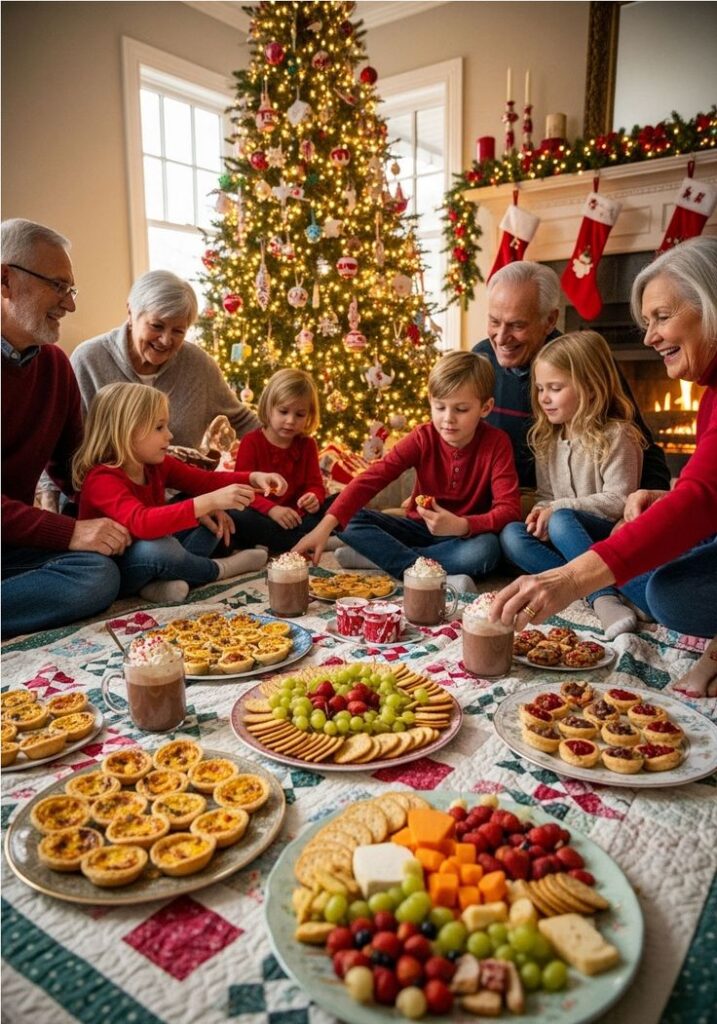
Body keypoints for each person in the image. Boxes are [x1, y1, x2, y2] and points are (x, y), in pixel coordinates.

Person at [490, 237, 717, 696]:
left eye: (662, 317)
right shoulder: (710, 392)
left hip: (599, 522)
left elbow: (704, 498)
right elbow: (705, 491)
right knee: (516, 536)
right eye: (645, 321)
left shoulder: (618, 429)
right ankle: (612, 590)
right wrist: (667, 499)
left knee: (667, 594)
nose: (649, 336)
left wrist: (571, 579)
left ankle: (607, 592)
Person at [293, 351, 522, 592]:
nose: (448, 419)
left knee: (486, 550)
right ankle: (427, 573)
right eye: (440, 407)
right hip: (417, 529)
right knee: (347, 518)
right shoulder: (422, 437)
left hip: (463, 536)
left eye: (461, 409)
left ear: (485, 407)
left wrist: (461, 525)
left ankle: (379, 559)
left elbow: (510, 510)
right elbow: (372, 479)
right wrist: (323, 528)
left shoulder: (497, 443)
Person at [1, 218, 128, 639]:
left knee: (100, 572)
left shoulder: (55, 366)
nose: (69, 305)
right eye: (58, 286)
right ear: (5, 280)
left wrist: (141, 503)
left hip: (11, 545)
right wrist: (71, 531)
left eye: (71, 290)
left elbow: (77, 468)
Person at [74, 383, 286, 604]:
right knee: (158, 548)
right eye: (159, 427)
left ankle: (157, 585)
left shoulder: (156, 464)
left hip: (159, 551)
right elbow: (142, 523)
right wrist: (207, 501)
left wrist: (252, 478)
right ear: (125, 432)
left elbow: (204, 480)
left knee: (209, 522)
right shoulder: (102, 479)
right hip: (120, 568)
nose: (170, 434)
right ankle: (219, 569)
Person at [472, 261, 670, 491]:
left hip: (560, 506)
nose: (501, 337)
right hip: (498, 501)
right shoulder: (480, 358)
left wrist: (648, 506)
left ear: (549, 320)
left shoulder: (582, 363)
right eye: (494, 321)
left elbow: (641, 445)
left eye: (517, 325)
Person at [500, 331, 645, 640]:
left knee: (563, 519)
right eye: (540, 389)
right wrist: (540, 513)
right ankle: (590, 588)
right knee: (512, 535)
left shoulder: (618, 435)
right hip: (566, 536)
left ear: (590, 388)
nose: (544, 398)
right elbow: (546, 497)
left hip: (606, 536)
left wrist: (557, 510)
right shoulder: (548, 439)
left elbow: (620, 500)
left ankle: (602, 597)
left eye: (555, 388)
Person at [70, 269, 260, 449]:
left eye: (178, 331)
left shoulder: (199, 365)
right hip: (105, 482)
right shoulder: (89, 360)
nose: (166, 340)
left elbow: (243, 421)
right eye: (156, 326)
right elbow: (63, 442)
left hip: (182, 483)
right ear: (131, 312)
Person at [230, 369, 336, 552]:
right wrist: (272, 510)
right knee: (236, 514)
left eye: (300, 415)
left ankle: (294, 541)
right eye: (283, 411)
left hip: (298, 518)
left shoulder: (307, 444)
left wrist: (313, 497)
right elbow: (243, 491)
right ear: (268, 408)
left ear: (309, 415)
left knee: (342, 500)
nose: (290, 421)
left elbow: (315, 485)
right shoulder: (251, 442)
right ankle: (306, 541)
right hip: (263, 517)